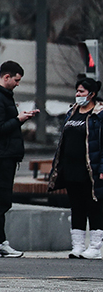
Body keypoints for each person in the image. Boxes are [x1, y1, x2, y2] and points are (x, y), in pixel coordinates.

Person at [0, 60, 40, 258]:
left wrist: (19, 119)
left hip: (5, 156)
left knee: (1, 201)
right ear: (6, 77)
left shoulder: (3, 97)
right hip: (1, 157)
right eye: (16, 80)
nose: (18, 84)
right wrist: (18, 120)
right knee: (0, 201)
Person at [48, 76, 103, 259]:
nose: (78, 95)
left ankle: (95, 247)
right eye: (77, 91)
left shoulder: (98, 114)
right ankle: (78, 245)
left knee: (93, 206)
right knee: (77, 206)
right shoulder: (72, 112)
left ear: (92, 94)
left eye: (82, 92)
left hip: (91, 169)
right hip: (72, 169)